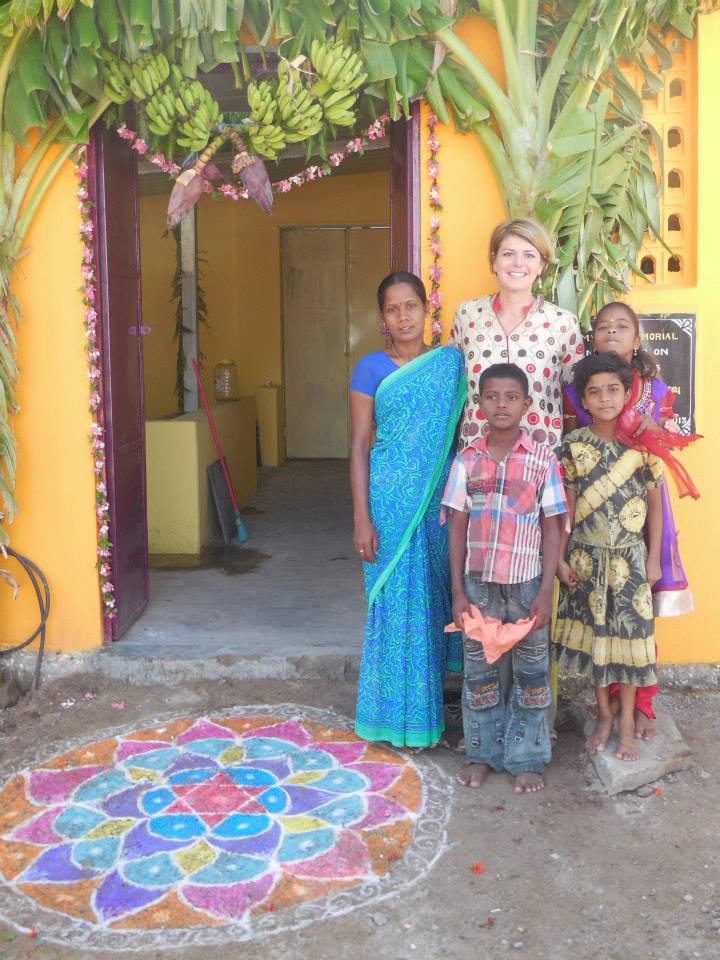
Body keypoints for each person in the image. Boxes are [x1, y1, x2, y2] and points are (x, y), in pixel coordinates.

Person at [563, 301, 698, 739]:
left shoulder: (653, 390)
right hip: (593, 518)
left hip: (638, 511)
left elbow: (658, 459)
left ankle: (640, 705)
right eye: (604, 327)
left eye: (623, 327)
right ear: (593, 338)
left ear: (637, 339)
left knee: (639, 616)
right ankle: (608, 706)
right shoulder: (579, 391)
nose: (613, 333)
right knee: (602, 617)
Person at [350, 271, 466, 749]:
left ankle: (427, 711)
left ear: (426, 309)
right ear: (382, 318)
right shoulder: (370, 368)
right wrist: (362, 516)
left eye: (411, 306)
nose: (403, 316)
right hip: (389, 502)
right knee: (396, 605)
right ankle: (390, 716)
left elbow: (461, 438)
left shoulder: (449, 365)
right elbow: (359, 445)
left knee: (433, 602)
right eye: (393, 309)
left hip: (439, 501)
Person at [444, 363, 566, 793]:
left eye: (511, 397)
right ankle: (482, 755)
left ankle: (527, 757)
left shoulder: (541, 459)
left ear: (526, 406)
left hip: (528, 583)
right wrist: (458, 590)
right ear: (479, 405)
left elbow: (553, 525)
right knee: (480, 675)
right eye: (492, 397)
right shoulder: (467, 459)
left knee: (532, 673)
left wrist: (546, 588)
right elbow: (456, 523)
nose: (501, 404)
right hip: (478, 585)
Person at [554, 352, 664, 762]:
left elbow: (656, 506)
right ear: (583, 399)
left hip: (631, 562)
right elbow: (565, 509)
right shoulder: (572, 447)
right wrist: (561, 560)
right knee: (598, 646)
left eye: (612, 390)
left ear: (627, 393)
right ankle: (603, 715)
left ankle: (627, 725)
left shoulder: (643, 445)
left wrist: (654, 560)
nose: (604, 399)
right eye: (594, 392)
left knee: (631, 645)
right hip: (585, 561)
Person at [449, 218, 585, 451]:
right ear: (494, 261)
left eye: (529, 255)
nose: (518, 263)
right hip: (476, 461)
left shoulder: (562, 324)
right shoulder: (468, 316)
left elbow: (578, 398)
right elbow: (451, 390)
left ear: (542, 265)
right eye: (508, 254)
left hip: (539, 461)